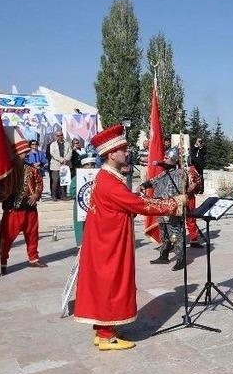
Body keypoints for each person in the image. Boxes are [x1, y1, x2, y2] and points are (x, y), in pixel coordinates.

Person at [74, 124, 185, 351]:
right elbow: (140, 205)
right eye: (123, 149)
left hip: (107, 240)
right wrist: (175, 203)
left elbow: (126, 203)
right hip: (110, 244)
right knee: (111, 285)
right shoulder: (109, 182)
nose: (127, 153)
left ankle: (104, 329)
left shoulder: (108, 177)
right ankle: (106, 336)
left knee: (107, 285)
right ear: (111, 153)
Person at [0, 128, 47, 274]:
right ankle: (3, 262)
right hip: (13, 209)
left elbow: (39, 183)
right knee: (6, 238)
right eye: (23, 152)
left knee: (32, 234)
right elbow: (1, 188)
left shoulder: (32, 170)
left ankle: (33, 259)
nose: (25, 154)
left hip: (30, 208)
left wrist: (36, 195)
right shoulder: (7, 170)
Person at [140, 147, 191, 271]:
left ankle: (181, 258)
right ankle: (164, 255)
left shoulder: (180, 173)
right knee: (164, 234)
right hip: (161, 208)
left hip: (172, 209)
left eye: (167, 158)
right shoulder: (164, 173)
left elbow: (181, 191)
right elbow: (153, 181)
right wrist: (143, 185)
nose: (164, 159)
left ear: (173, 160)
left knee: (175, 234)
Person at [72, 156, 97, 248]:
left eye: (92, 165)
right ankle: (81, 245)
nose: (90, 167)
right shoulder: (76, 178)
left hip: (95, 206)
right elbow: (72, 192)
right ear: (83, 166)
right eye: (87, 165)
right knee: (80, 226)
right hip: (80, 206)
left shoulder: (99, 176)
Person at [47, 130, 71, 200]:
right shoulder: (52, 144)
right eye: (58, 135)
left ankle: (63, 196)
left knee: (64, 180)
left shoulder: (67, 144)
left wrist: (66, 159)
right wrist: (61, 159)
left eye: (61, 135)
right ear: (55, 136)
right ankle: (54, 196)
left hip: (65, 164)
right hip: (56, 165)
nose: (60, 137)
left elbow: (70, 152)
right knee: (55, 181)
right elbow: (53, 154)